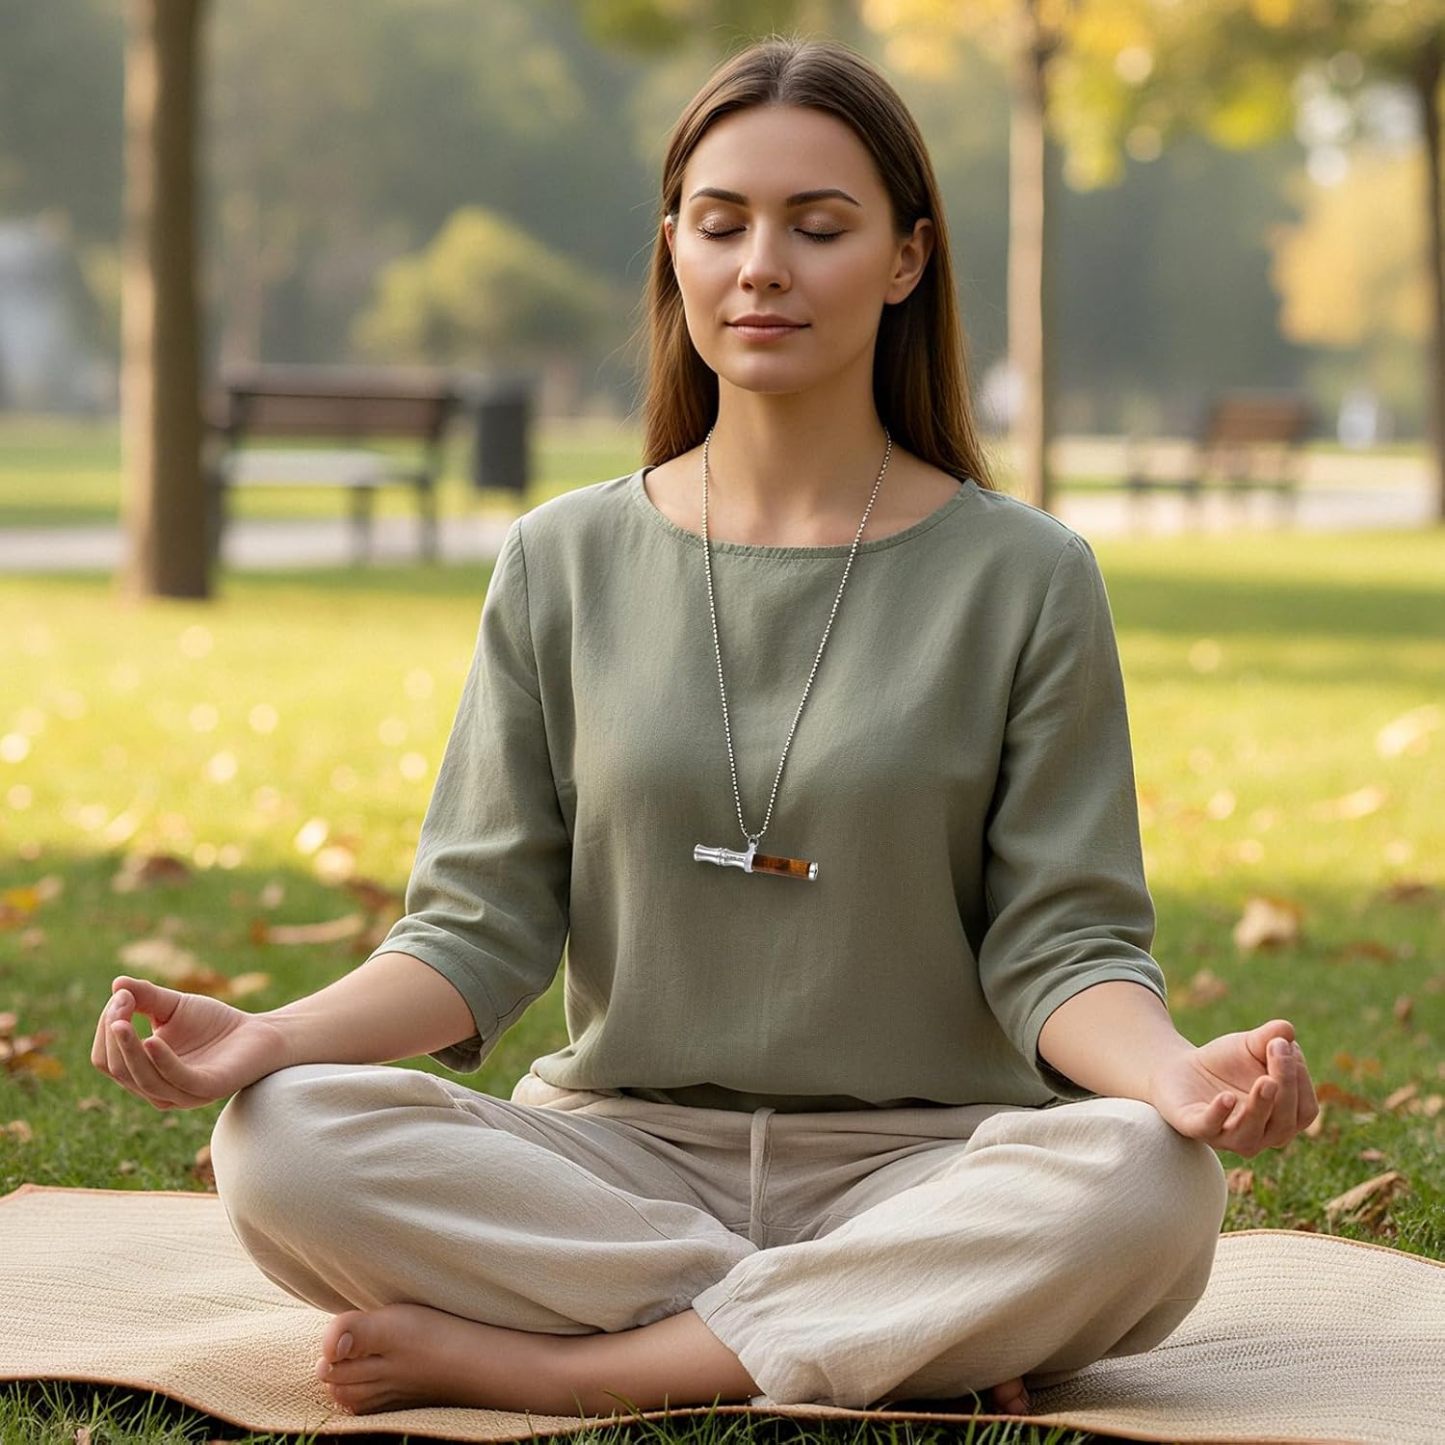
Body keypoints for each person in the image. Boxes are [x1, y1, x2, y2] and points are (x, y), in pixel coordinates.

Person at [92, 32, 1318, 1425]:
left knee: (1146, 1180)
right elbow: (473, 929)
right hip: (612, 1160)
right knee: (286, 1141)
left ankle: (597, 1367)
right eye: (720, 222)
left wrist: (1177, 1078)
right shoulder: (560, 559)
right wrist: (266, 1036)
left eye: (819, 226)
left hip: (929, 1158)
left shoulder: (1026, 575)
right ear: (672, 246)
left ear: (906, 258)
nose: (762, 267)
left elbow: (1062, 948)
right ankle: (879, 1318)